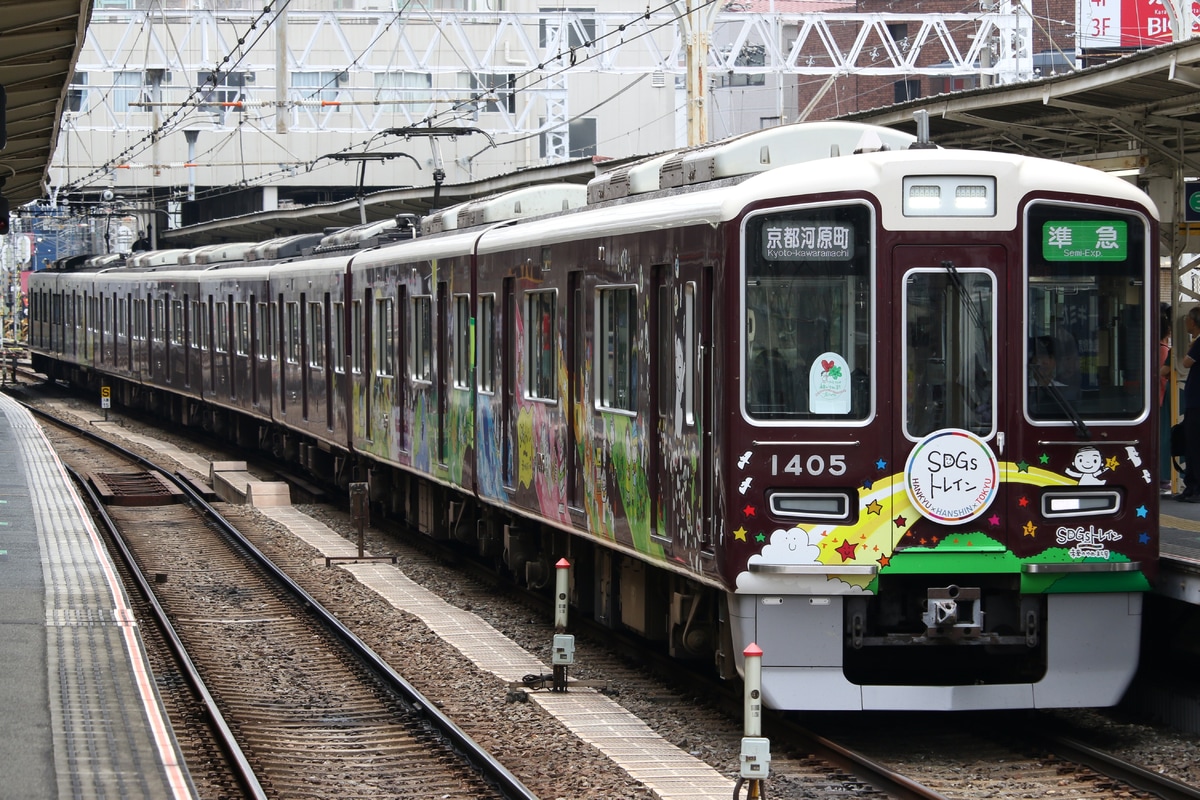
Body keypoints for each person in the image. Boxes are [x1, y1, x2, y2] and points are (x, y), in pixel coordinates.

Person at [1177, 306, 1200, 502]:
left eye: (1187, 319)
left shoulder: (1199, 343)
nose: (1185, 322)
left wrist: (1191, 346)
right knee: (1191, 445)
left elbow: (1185, 362)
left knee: (1194, 445)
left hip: (1197, 403)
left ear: (1193, 321)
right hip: (1194, 402)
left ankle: (1195, 488)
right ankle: (1191, 487)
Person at [1160, 305, 1174, 496]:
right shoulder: (1165, 351)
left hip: (1159, 398)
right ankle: (1165, 476)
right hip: (1164, 397)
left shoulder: (1153, 348)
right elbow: (1164, 372)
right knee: (1165, 437)